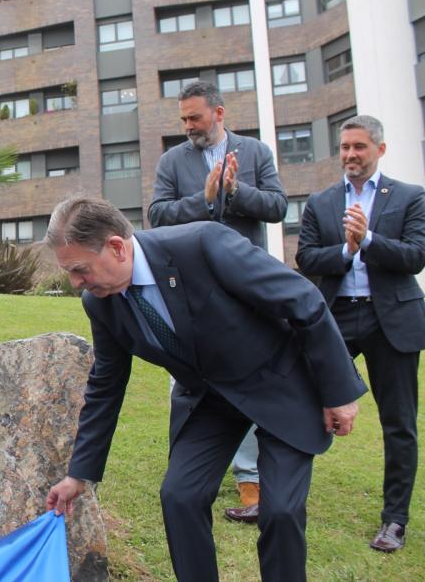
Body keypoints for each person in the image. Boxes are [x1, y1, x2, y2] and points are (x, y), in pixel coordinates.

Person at [44, 196, 365, 582]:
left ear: (115, 247)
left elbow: (304, 301)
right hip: (209, 399)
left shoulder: (202, 245)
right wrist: (80, 474)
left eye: (80, 269)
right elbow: (106, 385)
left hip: (279, 382)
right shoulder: (101, 303)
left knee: (280, 510)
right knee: (180, 497)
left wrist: (338, 393)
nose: (76, 282)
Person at [148, 80, 288, 522]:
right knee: (186, 381)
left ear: (220, 113)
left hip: (247, 290)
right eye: (184, 119)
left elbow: (278, 206)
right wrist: (204, 199)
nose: (189, 126)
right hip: (191, 289)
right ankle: (186, 470)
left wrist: (235, 192)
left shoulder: (256, 153)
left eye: (196, 118)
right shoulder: (173, 160)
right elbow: (158, 215)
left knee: (248, 378)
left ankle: (252, 480)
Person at [296, 114, 425, 553]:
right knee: (299, 401)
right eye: (345, 147)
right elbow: (308, 258)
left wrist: (367, 240)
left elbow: (415, 256)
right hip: (336, 318)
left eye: (359, 147)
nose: (350, 155)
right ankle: (281, 500)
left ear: (380, 150)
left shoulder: (409, 197)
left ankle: (395, 520)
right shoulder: (322, 201)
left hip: (392, 321)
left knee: (399, 423)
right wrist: (346, 251)